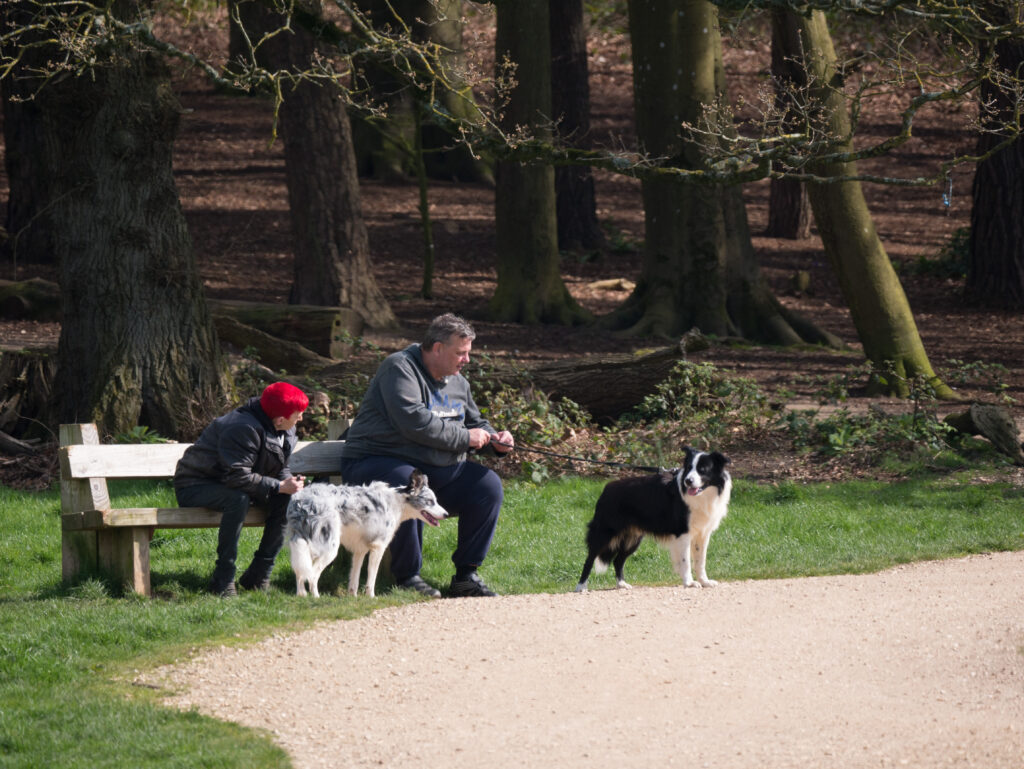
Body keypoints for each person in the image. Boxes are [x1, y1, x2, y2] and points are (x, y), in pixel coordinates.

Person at [339, 313, 514, 598]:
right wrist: (465, 437)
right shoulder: (399, 368)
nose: (466, 360)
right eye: (461, 353)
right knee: (409, 483)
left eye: (468, 353)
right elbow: (414, 423)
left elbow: (474, 422)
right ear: (436, 348)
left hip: (434, 469)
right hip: (375, 465)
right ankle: (407, 576)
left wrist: (495, 439)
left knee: (487, 485)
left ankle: (465, 576)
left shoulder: (458, 382)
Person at [174, 381, 309, 597]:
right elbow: (237, 476)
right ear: (280, 418)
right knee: (237, 499)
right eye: (298, 414)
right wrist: (278, 485)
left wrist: (289, 484)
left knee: (287, 499)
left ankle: (258, 576)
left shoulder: (286, 428)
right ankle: (223, 580)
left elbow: (280, 466)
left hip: (236, 485)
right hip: (196, 484)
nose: (301, 418)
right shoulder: (242, 428)